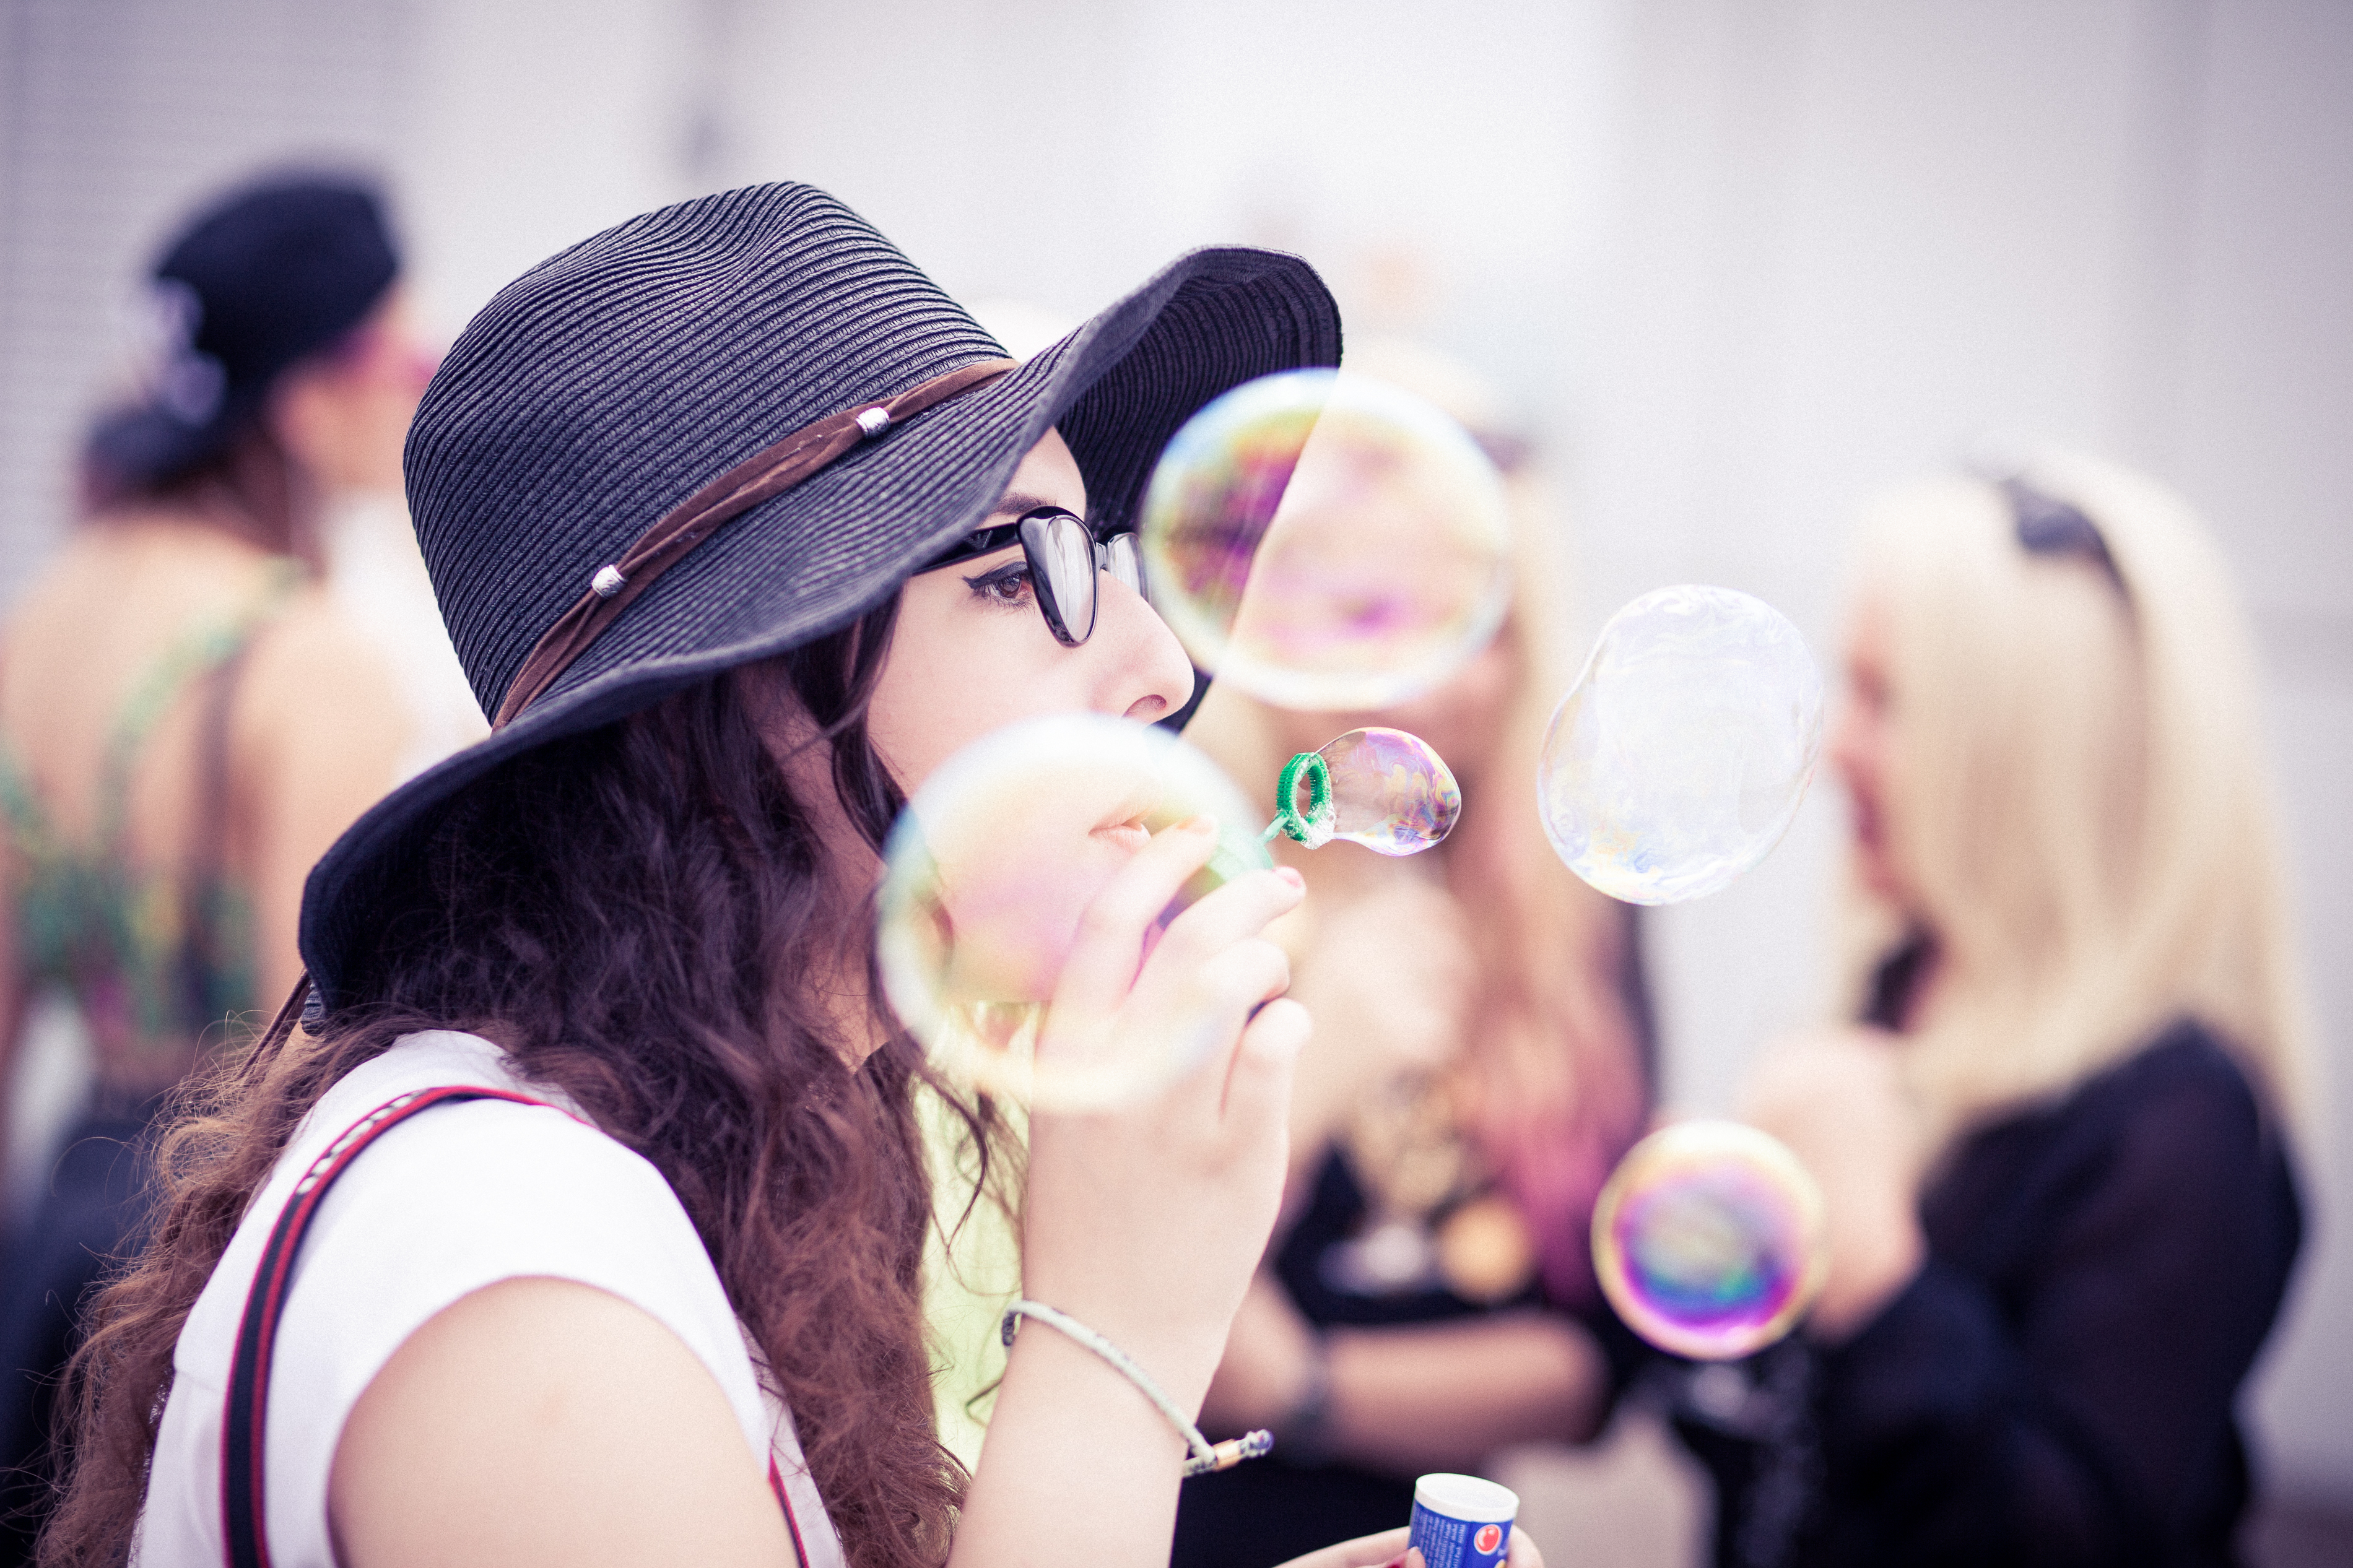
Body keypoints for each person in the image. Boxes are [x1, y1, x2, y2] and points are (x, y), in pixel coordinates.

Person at [36, 183, 1543, 1568]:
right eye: (1026, 574)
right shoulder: (512, 1269)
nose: (1160, 670)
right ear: (744, 689)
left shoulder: (725, 1167)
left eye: (1112, 559)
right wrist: (1118, 1335)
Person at [1675, 458, 2310, 1567]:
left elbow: (2065, 1534)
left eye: (1887, 700)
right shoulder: (1901, 986)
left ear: (2029, 755)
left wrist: (1871, 1267)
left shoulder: (2183, 1124)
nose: (1834, 753)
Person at [0, 174, 435, 1565]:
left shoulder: (44, 622)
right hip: (191, 1242)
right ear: (310, 403)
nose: (424, 390)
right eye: (407, 356)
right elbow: (296, 1044)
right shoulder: (303, 653)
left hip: (58, 1223)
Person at [1167, 344, 1654, 1566]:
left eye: (1481, 625)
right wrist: (1315, 1079)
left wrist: (1310, 1383)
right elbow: (1119, 1302)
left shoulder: (1571, 905)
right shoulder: (1192, 873)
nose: (1431, 678)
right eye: (1375, 613)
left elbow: (1597, 1358)